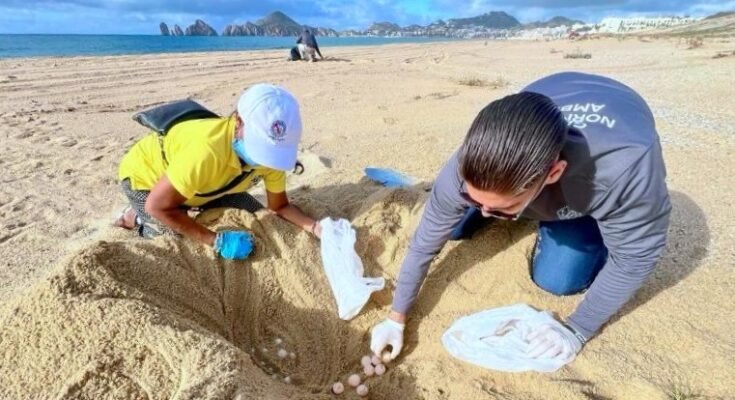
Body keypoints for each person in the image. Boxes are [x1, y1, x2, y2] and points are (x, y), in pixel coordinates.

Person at [370, 72, 671, 362]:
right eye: (474, 199)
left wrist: (578, 329)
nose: (485, 212)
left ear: (553, 173)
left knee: (559, 279)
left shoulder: (624, 169)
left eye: (499, 208)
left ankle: (550, 217)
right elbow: (425, 241)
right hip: (548, 95)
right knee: (453, 226)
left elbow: (635, 258)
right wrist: (396, 318)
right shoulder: (473, 158)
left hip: (600, 154)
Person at [114, 84, 322, 259]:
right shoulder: (206, 152)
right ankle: (135, 217)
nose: (264, 160)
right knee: (173, 238)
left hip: (208, 185)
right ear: (238, 121)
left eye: (270, 152)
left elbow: (280, 206)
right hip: (147, 179)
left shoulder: (273, 158)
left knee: (256, 216)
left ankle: (184, 202)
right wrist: (216, 240)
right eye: (260, 147)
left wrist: (316, 228)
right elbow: (157, 206)